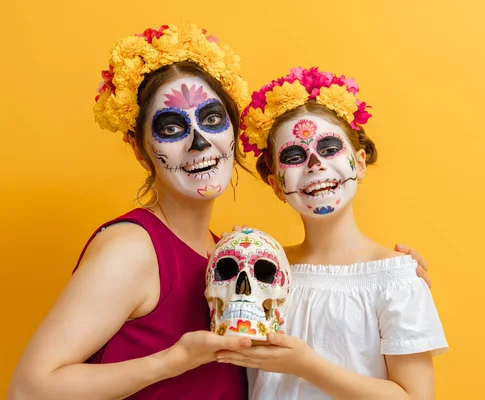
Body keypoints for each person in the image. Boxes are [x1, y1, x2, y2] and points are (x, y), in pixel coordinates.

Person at [8, 26, 431, 399]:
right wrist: (174, 360)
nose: (198, 143)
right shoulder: (133, 248)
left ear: (232, 131)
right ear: (140, 150)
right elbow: (29, 391)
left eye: (212, 119)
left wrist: (390, 277)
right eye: (171, 129)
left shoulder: (231, 255)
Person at [216, 67, 448, 400]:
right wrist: (236, 252)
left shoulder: (396, 277)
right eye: (294, 156)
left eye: (328, 149)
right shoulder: (261, 270)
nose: (314, 163)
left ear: (361, 162)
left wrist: (307, 365)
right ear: (276, 184)